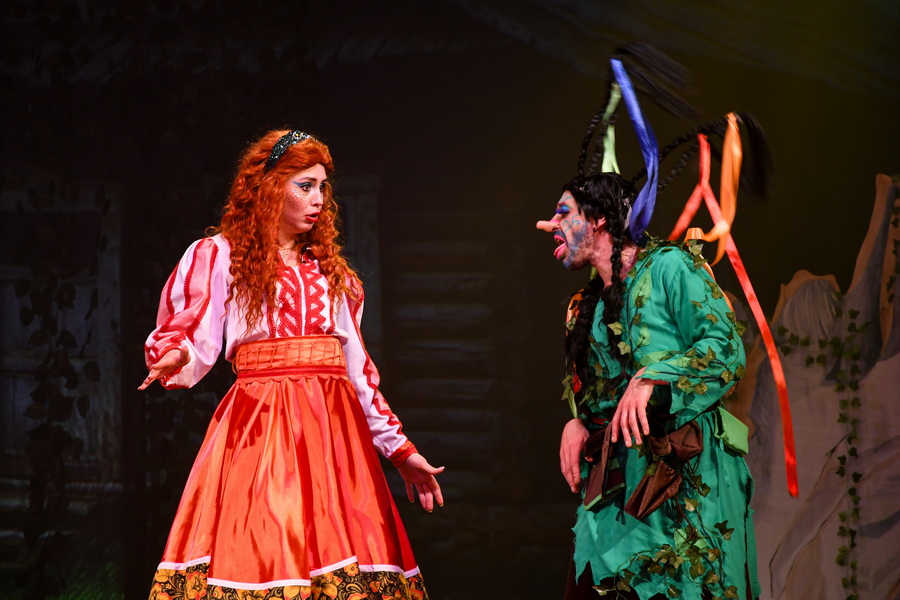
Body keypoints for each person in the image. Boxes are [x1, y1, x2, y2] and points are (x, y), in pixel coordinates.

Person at [140, 129, 443, 600]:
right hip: (263, 428)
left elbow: (358, 374)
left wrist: (400, 451)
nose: (318, 198)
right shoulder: (222, 256)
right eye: (305, 185)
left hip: (333, 439)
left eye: (322, 186)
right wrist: (175, 352)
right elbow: (194, 327)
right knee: (269, 549)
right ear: (268, 187)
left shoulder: (333, 275)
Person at [537, 172, 759, 600]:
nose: (550, 224)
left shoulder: (669, 266)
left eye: (563, 213)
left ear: (599, 219)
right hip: (618, 490)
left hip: (683, 484)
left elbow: (726, 350)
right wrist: (578, 423)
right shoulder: (582, 308)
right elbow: (598, 398)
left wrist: (655, 375)